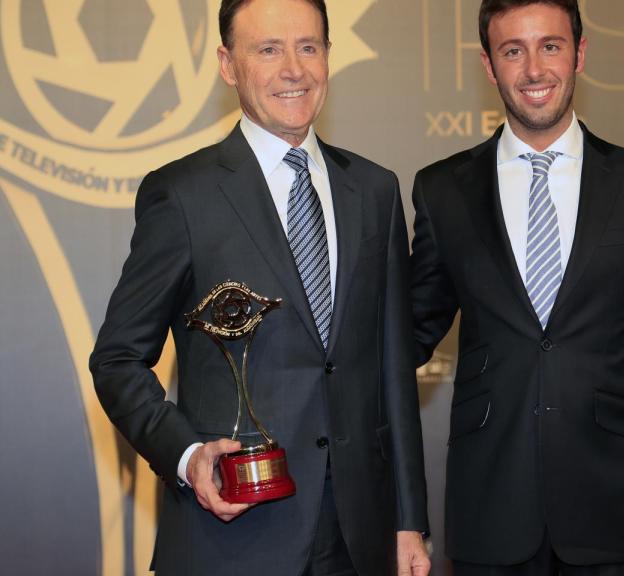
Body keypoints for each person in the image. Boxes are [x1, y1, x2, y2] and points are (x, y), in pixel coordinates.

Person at [89, 1, 430, 574]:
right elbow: (117, 360)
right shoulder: (183, 195)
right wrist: (188, 455)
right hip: (232, 531)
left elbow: (392, 370)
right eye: (268, 49)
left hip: (359, 539)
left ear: (328, 55)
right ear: (228, 65)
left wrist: (409, 519)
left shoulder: (375, 191)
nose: (293, 69)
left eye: (308, 47)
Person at [409, 1, 624, 575]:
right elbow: (405, 339)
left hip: (616, 514)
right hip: (489, 511)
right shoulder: (443, 191)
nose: (534, 69)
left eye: (551, 46)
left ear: (579, 54)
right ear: (489, 66)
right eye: (512, 51)